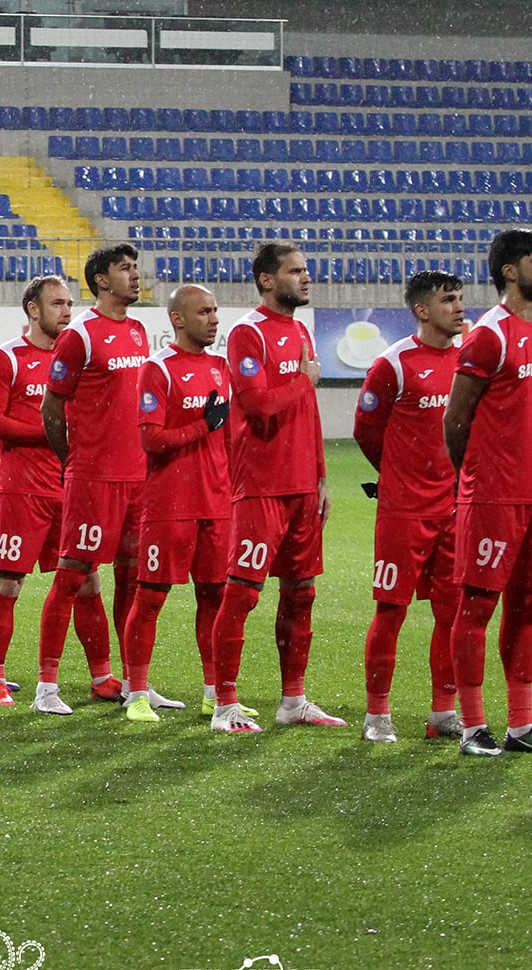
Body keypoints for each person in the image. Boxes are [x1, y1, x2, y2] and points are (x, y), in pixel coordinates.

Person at [443, 228, 532, 756]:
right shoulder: (488, 334)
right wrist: (474, 479)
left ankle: (522, 725)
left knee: (527, 609)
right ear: (509, 271)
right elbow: (456, 418)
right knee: (476, 607)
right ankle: (473, 727)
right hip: (492, 497)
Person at [210, 241, 345, 733]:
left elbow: (308, 412)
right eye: (295, 271)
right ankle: (225, 705)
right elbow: (258, 405)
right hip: (261, 485)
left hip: (303, 487)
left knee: (301, 593)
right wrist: (305, 381)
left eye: (306, 270)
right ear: (267, 280)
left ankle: (293, 700)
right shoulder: (247, 333)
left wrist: (322, 477)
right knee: (243, 594)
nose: (306, 278)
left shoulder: (301, 331)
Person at [354, 270, 466, 745]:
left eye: (459, 298)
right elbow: (365, 429)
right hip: (404, 511)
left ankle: (443, 713)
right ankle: (377, 714)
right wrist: (398, 475)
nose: (458, 307)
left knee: (452, 612)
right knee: (391, 609)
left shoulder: (468, 360)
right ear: (422, 310)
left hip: (456, 508)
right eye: (448, 300)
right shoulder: (393, 364)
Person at [37, 245, 149, 715]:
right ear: (101, 280)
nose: (135, 275)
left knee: (134, 580)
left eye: (135, 267)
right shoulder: (79, 334)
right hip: (94, 479)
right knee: (71, 576)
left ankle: (136, 683)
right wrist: (74, 462)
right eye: (125, 269)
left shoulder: (138, 331)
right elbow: (51, 409)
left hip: (137, 478)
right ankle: (46, 687)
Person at [132, 284, 232, 723]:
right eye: (204, 311)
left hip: (216, 502)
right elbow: (150, 439)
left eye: (215, 310)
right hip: (170, 504)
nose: (214, 319)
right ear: (178, 319)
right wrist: (201, 427)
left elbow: (228, 437)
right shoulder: (158, 369)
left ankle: (214, 693)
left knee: (215, 597)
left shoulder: (221, 368)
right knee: (151, 596)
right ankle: (137, 693)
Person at [0, 275, 72, 706]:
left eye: (69, 303)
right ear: (33, 309)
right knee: (8, 583)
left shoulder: (75, 359)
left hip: (70, 487)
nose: (66, 311)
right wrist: (50, 432)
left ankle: (100, 675)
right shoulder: (7, 358)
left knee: (84, 581)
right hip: (23, 490)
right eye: (57, 304)